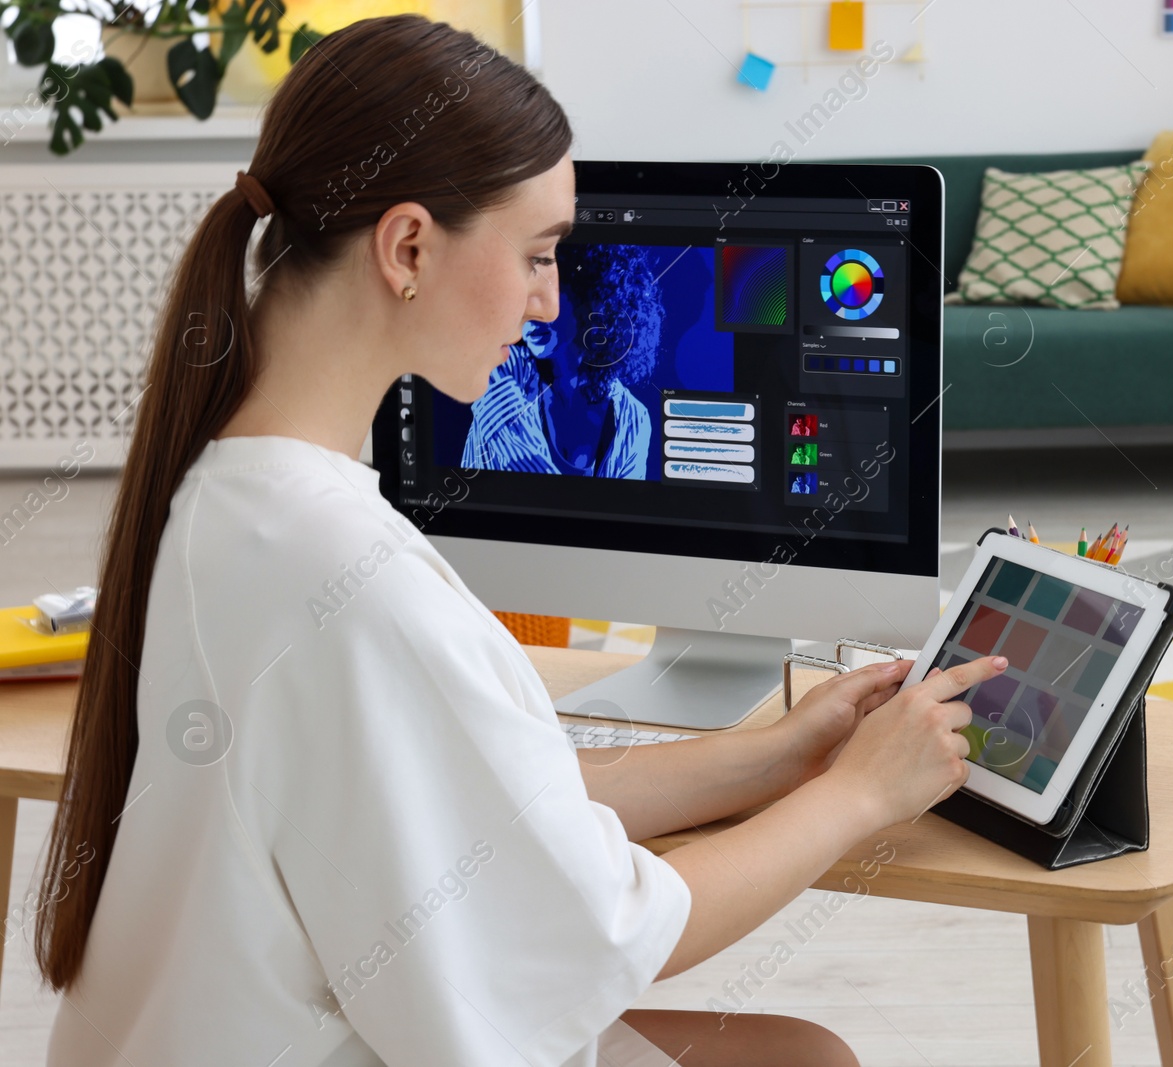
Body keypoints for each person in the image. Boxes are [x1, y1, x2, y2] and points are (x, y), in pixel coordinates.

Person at [33, 16, 1001, 1067]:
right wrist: (861, 794)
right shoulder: (357, 587)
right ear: (407, 247)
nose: (546, 299)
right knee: (810, 1057)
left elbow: (503, 798)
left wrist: (782, 753)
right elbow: (610, 927)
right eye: (539, 255)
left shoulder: (229, 494)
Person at [462, 244, 661, 478]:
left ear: (592, 303)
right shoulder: (499, 366)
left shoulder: (633, 417)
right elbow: (525, 469)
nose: (530, 312)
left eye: (547, 295)